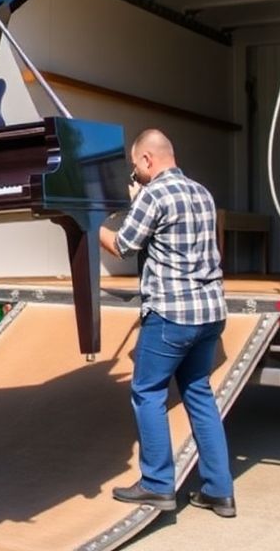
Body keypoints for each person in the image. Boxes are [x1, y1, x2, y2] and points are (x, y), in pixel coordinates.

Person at [98, 129, 236, 518]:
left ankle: (158, 485)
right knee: (199, 394)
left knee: (147, 392)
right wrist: (136, 201)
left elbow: (122, 245)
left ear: (147, 160)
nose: (134, 175)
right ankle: (219, 491)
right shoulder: (202, 193)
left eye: (135, 168)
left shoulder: (155, 195)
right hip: (209, 314)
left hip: (171, 315)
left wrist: (87, 223)